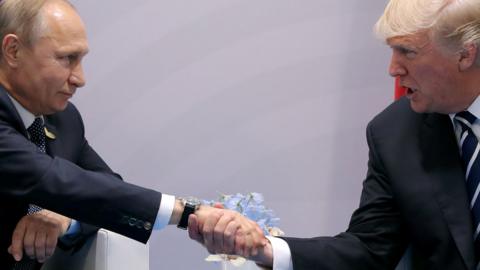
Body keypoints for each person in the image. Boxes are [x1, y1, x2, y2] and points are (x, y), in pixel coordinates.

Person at [190, 0, 480, 269]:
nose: (393, 69)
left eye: (407, 51)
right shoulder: (395, 132)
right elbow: (369, 249)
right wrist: (263, 249)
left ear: (466, 54)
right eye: (392, 51)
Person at [0, 0, 267, 269]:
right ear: (13, 51)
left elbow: (102, 187)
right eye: (67, 58)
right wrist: (185, 212)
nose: (80, 78)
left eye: (81, 59)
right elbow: (54, 180)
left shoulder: (63, 119)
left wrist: (65, 219)